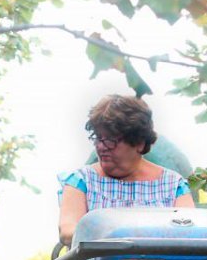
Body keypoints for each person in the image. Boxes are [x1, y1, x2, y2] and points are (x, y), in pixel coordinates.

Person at [58, 95, 196, 246]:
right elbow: (68, 232)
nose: (101, 147)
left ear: (139, 143)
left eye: (110, 140)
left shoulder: (174, 186)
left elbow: (189, 233)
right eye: (98, 138)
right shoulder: (80, 181)